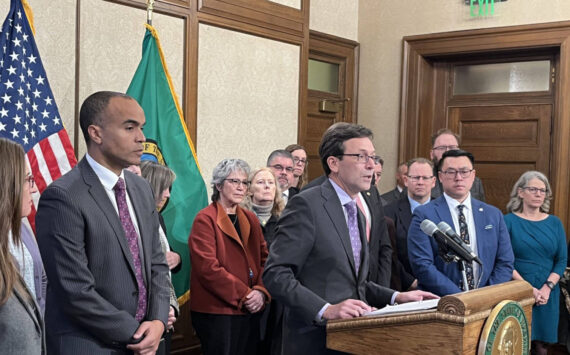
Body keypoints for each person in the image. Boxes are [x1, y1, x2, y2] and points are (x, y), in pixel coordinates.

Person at [263, 122, 437, 354]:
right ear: (333, 163)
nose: (371, 166)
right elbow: (276, 274)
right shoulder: (307, 204)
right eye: (361, 157)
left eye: (373, 158)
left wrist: (397, 296)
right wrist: (325, 309)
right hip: (315, 339)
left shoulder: (358, 209)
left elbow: (355, 282)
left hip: (355, 338)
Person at [36, 91, 170, 354]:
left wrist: (157, 321)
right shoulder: (63, 197)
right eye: (129, 127)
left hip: (148, 339)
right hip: (90, 344)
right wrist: (137, 334)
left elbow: (157, 262)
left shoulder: (141, 188)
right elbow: (75, 291)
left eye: (141, 128)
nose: (141, 137)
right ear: (96, 134)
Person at [189, 159, 271, 355]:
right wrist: (246, 295)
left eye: (244, 183)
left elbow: (265, 259)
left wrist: (260, 291)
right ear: (218, 185)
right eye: (234, 181)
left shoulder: (250, 217)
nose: (241, 187)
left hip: (250, 308)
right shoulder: (205, 218)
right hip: (218, 311)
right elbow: (208, 268)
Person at [408, 149, 514, 296]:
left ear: (473, 175)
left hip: (486, 304)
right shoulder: (424, 214)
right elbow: (422, 265)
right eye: (451, 172)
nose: (458, 177)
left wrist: (485, 296)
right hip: (442, 302)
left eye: (464, 171)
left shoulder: (493, 215)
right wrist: (460, 298)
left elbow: (505, 262)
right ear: (440, 177)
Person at [504, 171, 567, 355]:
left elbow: (561, 260)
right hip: (517, 290)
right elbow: (504, 260)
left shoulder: (555, 223)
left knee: (542, 347)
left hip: (548, 293)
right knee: (516, 343)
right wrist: (526, 288)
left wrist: (547, 287)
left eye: (543, 190)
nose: (539, 194)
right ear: (521, 192)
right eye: (533, 189)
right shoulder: (507, 221)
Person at [0, 138, 45, 354]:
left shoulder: (22, 227)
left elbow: (40, 278)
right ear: (8, 183)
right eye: (28, 179)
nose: (34, 189)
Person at [242, 167, 285, 355]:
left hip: (278, 297)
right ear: (249, 189)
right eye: (260, 182)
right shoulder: (240, 219)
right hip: (248, 296)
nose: (267, 186)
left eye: (271, 183)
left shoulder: (286, 221)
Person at [139, 160, 181, 353]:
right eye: (163, 188)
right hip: (145, 317)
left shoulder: (158, 217)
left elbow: (166, 256)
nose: (168, 195)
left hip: (165, 314)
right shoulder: (135, 219)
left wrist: (177, 258)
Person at [385, 158, 435, 291]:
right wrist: (410, 282)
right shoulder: (388, 212)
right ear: (406, 180)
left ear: (434, 181)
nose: (420, 182)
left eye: (425, 178)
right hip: (404, 289)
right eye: (415, 178)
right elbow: (388, 255)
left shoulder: (444, 210)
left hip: (440, 288)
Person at [429, 128, 485, 201]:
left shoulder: (475, 183)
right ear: (432, 154)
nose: (447, 152)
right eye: (441, 148)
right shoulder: (422, 180)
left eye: (452, 147)